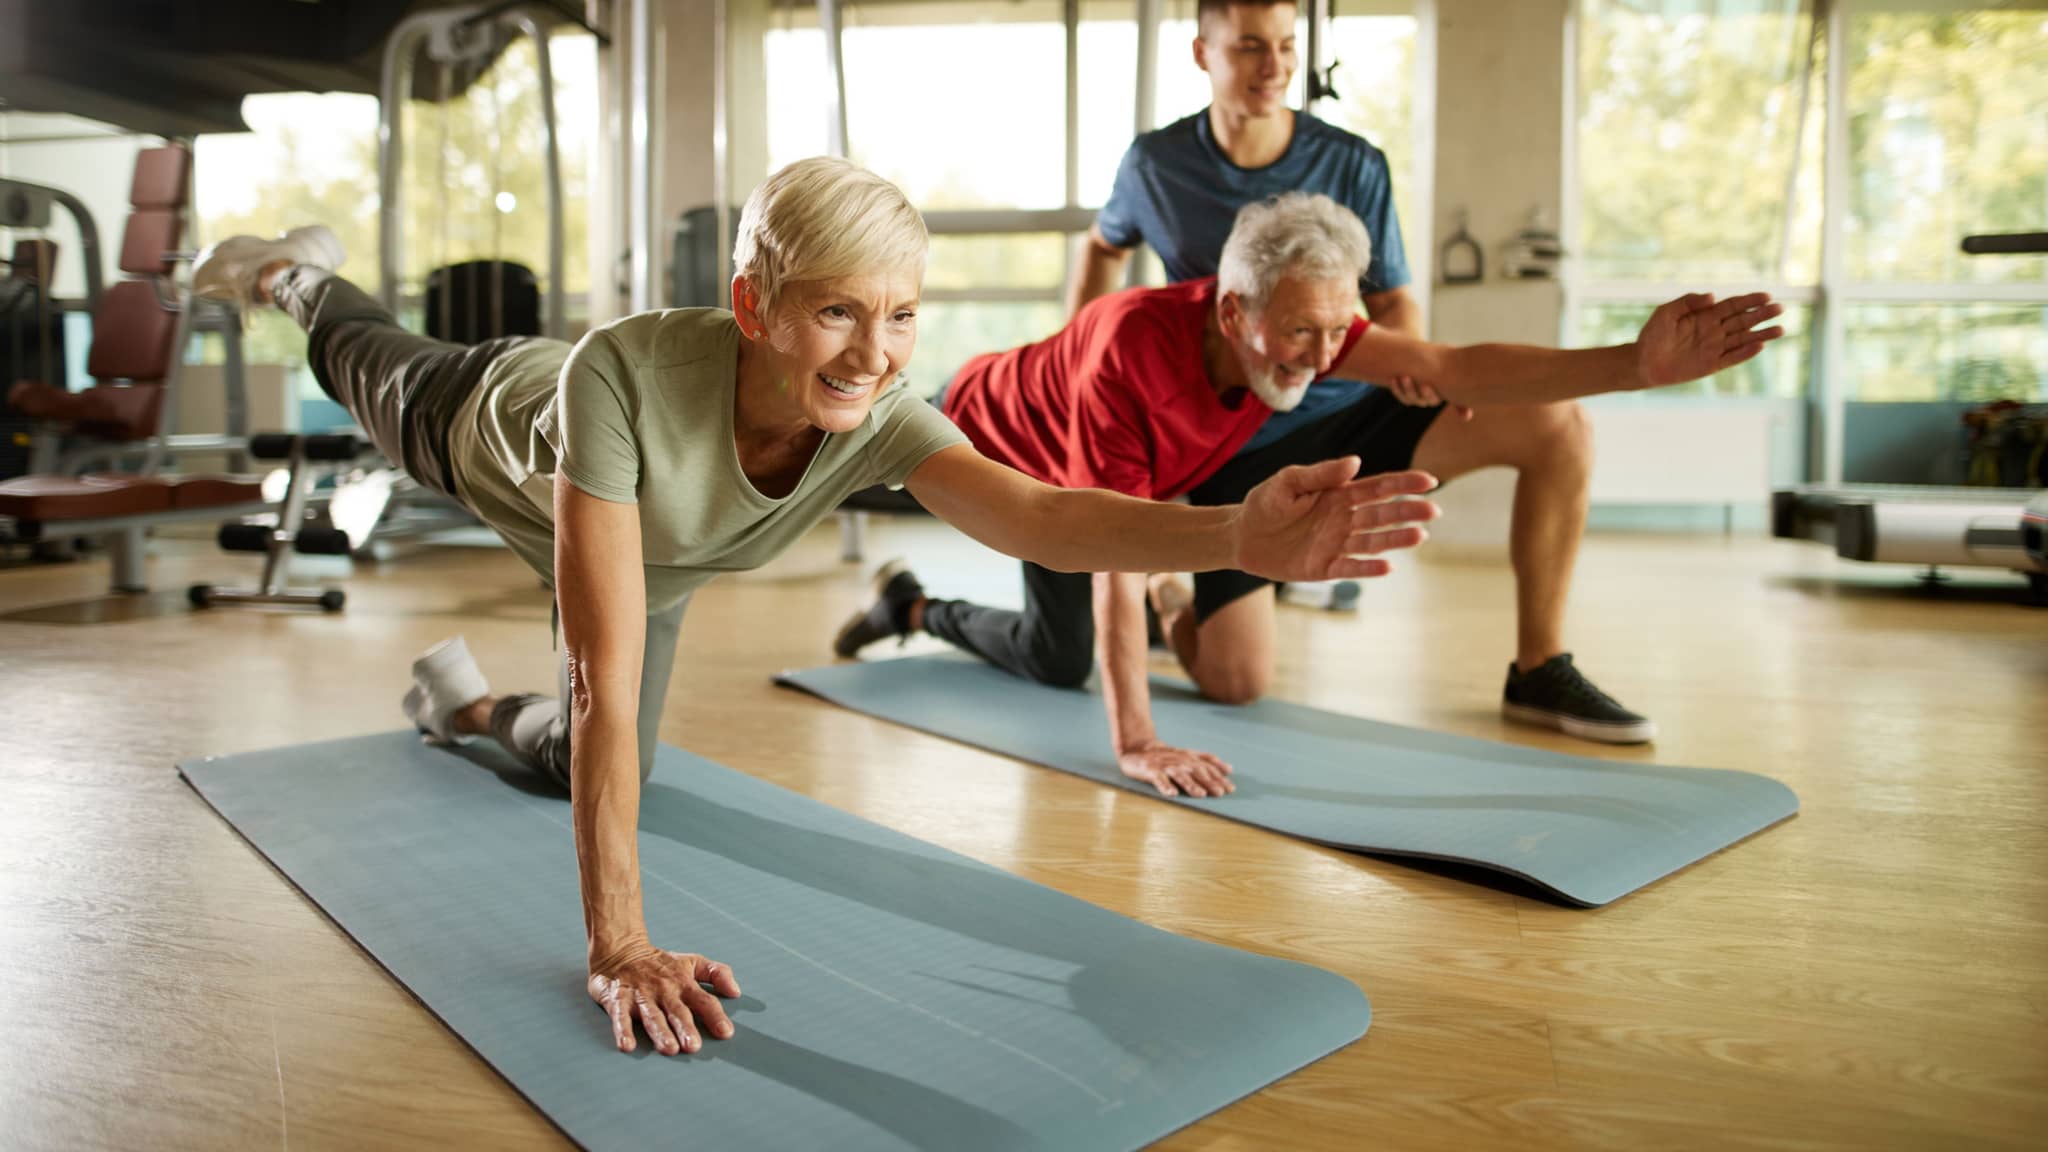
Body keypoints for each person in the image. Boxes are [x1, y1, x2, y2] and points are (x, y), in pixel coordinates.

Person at [191, 159, 1439, 1061]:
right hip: (489, 424)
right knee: (358, 351)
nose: (871, 351)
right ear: (754, 307)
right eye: (837, 310)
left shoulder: (881, 412)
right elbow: (595, 668)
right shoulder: (617, 376)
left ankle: (459, 703)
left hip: (651, 558)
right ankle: (299, 273)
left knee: (592, 760)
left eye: (899, 315)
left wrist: (1234, 532)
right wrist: (619, 943)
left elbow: (1040, 517)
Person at [836, 193, 1782, 799]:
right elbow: (1101, 550)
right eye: (1302, 333)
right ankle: (915, 603)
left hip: (1147, 475)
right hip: (1004, 448)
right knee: (1060, 659)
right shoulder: (1123, 353)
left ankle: (1172, 599)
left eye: (1339, 332)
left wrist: (1635, 364)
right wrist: (1138, 741)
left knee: (1224, 652)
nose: (1325, 357)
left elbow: (1453, 365)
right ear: (1233, 312)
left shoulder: (1305, 323)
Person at [1072, 0, 1669, 743]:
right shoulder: (1155, 165)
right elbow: (1102, 245)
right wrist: (1074, 342)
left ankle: (1539, 666)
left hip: (1349, 411)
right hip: (1236, 449)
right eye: (1251, 47)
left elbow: (1394, 302)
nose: (1275, 67)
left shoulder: (1352, 162)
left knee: (1560, 423)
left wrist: (1410, 366)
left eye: (1287, 46)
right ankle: (1171, 596)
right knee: (1236, 681)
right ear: (1203, 53)